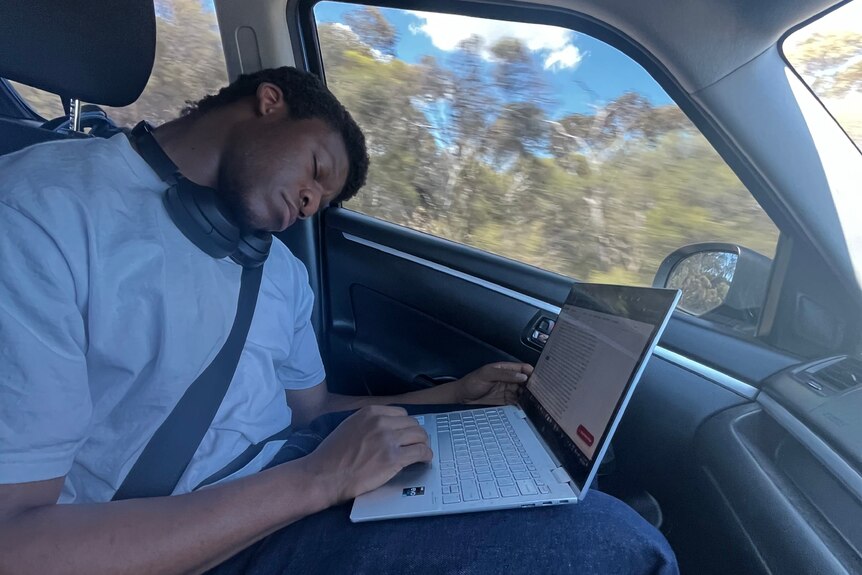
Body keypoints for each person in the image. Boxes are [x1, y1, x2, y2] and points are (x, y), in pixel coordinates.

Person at [0, 67, 678, 574]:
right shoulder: (43, 211)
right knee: (617, 545)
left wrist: (452, 395)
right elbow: (17, 543)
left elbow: (313, 409)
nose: (308, 202)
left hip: (297, 465)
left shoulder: (277, 267)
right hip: (195, 530)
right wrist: (319, 479)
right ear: (269, 102)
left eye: (319, 201)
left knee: (560, 484)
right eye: (316, 168)